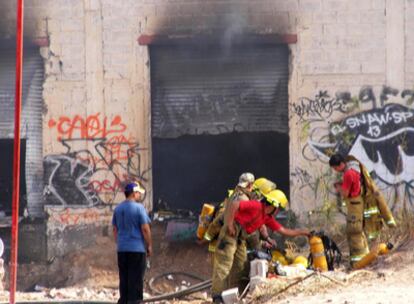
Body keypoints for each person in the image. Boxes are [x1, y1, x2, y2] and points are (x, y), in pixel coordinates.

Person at [211, 189, 310, 303]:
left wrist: (303, 232)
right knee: (224, 266)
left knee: (241, 268)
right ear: (273, 205)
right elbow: (234, 204)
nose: (278, 212)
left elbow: (284, 231)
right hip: (230, 235)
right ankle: (217, 297)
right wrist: (229, 225)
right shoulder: (256, 205)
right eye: (278, 208)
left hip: (240, 239)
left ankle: (236, 297)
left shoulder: (266, 217)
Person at [329, 153, 396, 266]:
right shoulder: (354, 169)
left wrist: (339, 188)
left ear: (341, 164)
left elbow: (345, 193)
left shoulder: (348, 174)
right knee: (358, 230)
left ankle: (358, 261)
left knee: (354, 231)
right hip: (357, 202)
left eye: (336, 168)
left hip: (354, 204)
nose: (336, 170)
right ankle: (365, 257)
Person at [112, 182, 152, 304]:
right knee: (136, 279)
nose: (140, 195)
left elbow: (115, 230)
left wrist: (120, 243)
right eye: (139, 192)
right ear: (134, 193)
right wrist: (149, 245)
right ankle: (135, 301)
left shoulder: (118, 209)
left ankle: (124, 301)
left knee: (124, 278)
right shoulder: (139, 208)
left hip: (122, 249)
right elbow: (145, 229)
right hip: (137, 250)